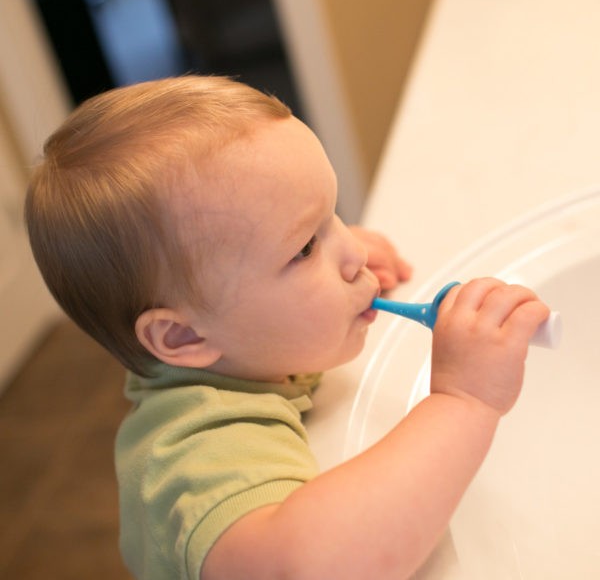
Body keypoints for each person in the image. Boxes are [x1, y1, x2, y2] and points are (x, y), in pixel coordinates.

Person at [25, 75, 549, 580]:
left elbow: (249, 282)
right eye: (302, 247)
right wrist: (463, 400)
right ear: (184, 338)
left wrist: (316, 255)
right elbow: (317, 565)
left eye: (333, 215)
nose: (356, 253)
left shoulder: (240, 344)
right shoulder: (198, 456)